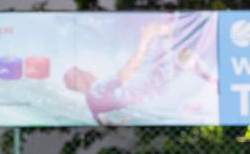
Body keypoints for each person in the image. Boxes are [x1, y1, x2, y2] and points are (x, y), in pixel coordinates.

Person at [62, 18, 218, 126]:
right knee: (168, 38)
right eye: (84, 71)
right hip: (155, 82)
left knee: (180, 54)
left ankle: (210, 84)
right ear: (80, 80)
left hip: (151, 84)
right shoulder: (98, 89)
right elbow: (130, 69)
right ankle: (215, 82)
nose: (89, 71)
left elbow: (102, 122)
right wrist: (145, 39)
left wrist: (119, 124)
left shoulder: (92, 103)